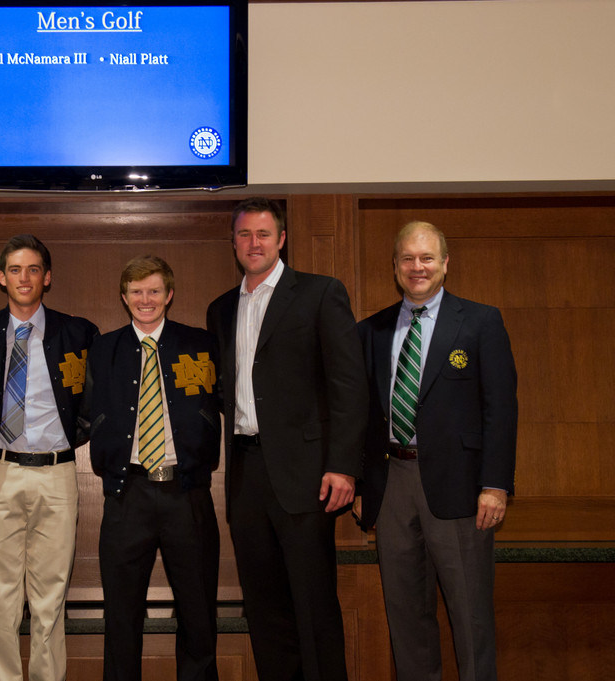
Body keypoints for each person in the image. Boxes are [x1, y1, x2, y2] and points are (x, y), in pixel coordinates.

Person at [206, 197, 367, 681]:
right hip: (246, 475)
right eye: (244, 235)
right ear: (232, 242)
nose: (253, 243)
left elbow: (348, 385)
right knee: (265, 608)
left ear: (281, 239)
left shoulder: (320, 293)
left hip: (307, 476)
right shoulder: (220, 310)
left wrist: (344, 465)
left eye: (263, 234)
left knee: (313, 605)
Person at [356, 221, 517, 681]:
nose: (417, 267)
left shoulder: (482, 321)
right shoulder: (372, 330)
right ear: (394, 267)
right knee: (406, 615)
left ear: (445, 263)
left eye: (426, 258)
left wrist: (495, 485)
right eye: (407, 258)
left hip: (463, 489)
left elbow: (500, 409)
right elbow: (361, 415)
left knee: (470, 616)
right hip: (391, 486)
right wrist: (364, 482)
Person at [84, 255, 222, 681]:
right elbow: (90, 410)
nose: (146, 299)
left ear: (169, 295)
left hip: (187, 492)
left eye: (155, 291)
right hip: (128, 494)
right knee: (122, 616)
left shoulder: (200, 343)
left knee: (198, 613)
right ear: (124, 297)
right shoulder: (104, 348)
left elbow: (220, 403)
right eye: (137, 292)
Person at [0, 234, 98, 681]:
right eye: (16, 270)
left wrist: (75, 438)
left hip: (57, 476)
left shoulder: (77, 332)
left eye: (34, 269)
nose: (25, 278)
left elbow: (96, 401)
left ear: (48, 278)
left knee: (50, 598)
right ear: (2, 278)